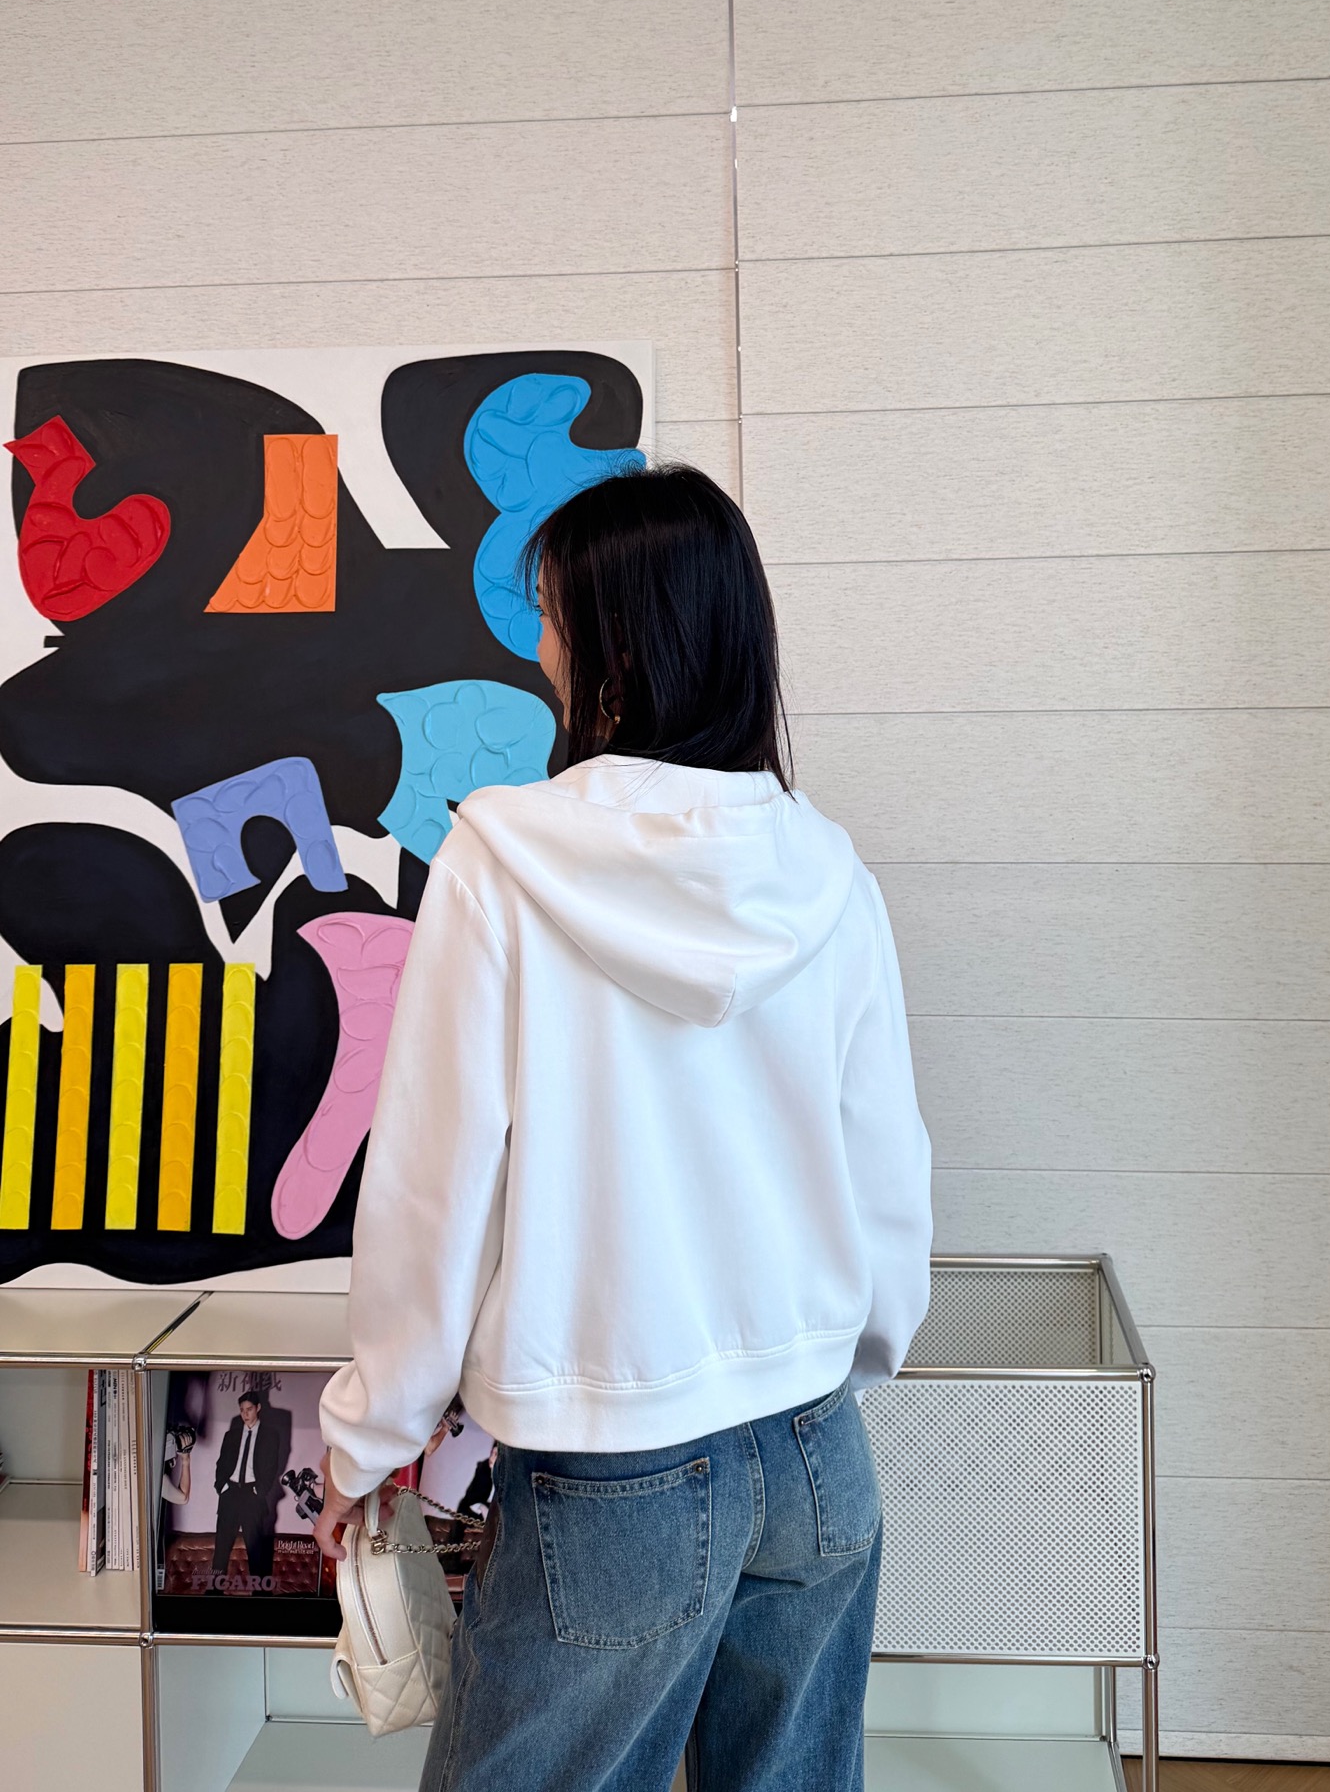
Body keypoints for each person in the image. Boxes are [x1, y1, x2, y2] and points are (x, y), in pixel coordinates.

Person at [314, 465, 933, 1791]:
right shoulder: (827, 867)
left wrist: (371, 1432)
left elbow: (432, 1183)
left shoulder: (501, 858)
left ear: (617, 647)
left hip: (617, 1468)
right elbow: (888, 1163)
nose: (539, 643)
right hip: (817, 1446)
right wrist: (847, 1355)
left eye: (551, 612)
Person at [212, 1391, 283, 1585]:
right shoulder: (231, 1435)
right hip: (230, 1494)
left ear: (258, 1408)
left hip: (252, 1495)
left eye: (249, 1409)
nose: (245, 1414)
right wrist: (221, 1486)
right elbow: (221, 1463)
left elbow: (272, 1466)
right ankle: (213, 1593)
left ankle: (259, 1595)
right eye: (242, 1410)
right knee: (221, 1548)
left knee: (255, 1550)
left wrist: (260, 1490)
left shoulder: (270, 1435)